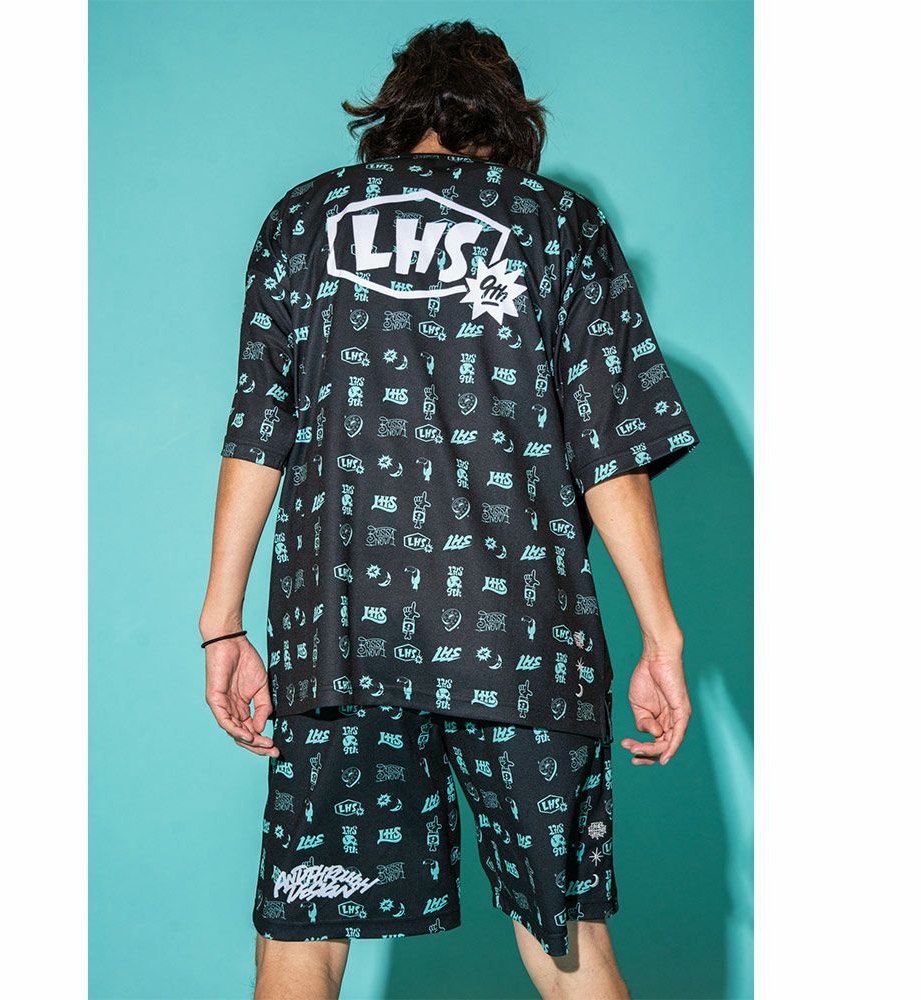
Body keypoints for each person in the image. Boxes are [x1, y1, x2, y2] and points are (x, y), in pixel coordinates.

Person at [200, 20, 700, 1000]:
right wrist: (661, 634)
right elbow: (609, 452)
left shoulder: (301, 220)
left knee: (307, 931)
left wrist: (222, 622)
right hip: (520, 638)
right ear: (510, 121)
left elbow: (257, 430)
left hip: (340, 637)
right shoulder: (559, 224)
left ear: (393, 113)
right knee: (569, 943)